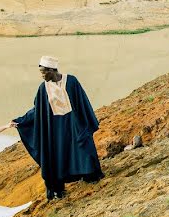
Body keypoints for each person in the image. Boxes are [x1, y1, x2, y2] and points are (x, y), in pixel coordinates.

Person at [12, 56, 104, 201]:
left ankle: (90, 176)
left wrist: (84, 124)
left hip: (74, 126)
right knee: (57, 157)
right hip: (54, 131)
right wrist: (21, 121)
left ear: (52, 70)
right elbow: (38, 110)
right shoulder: (43, 88)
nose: (42, 76)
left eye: (44, 72)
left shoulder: (71, 81)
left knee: (83, 149)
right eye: (41, 73)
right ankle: (57, 190)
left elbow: (82, 101)